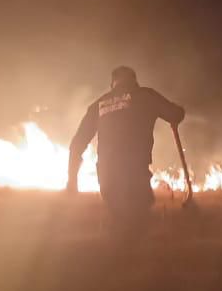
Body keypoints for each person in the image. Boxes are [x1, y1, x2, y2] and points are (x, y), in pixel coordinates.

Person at [67, 66, 185, 227]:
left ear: (112, 84)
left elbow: (77, 144)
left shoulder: (99, 104)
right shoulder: (145, 95)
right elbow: (176, 114)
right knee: (138, 220)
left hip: (107, 174)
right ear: (135, 81)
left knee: (119, 220)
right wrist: (179, 109)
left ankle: (118, 247)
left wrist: (72, 181)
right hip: (134, 172)